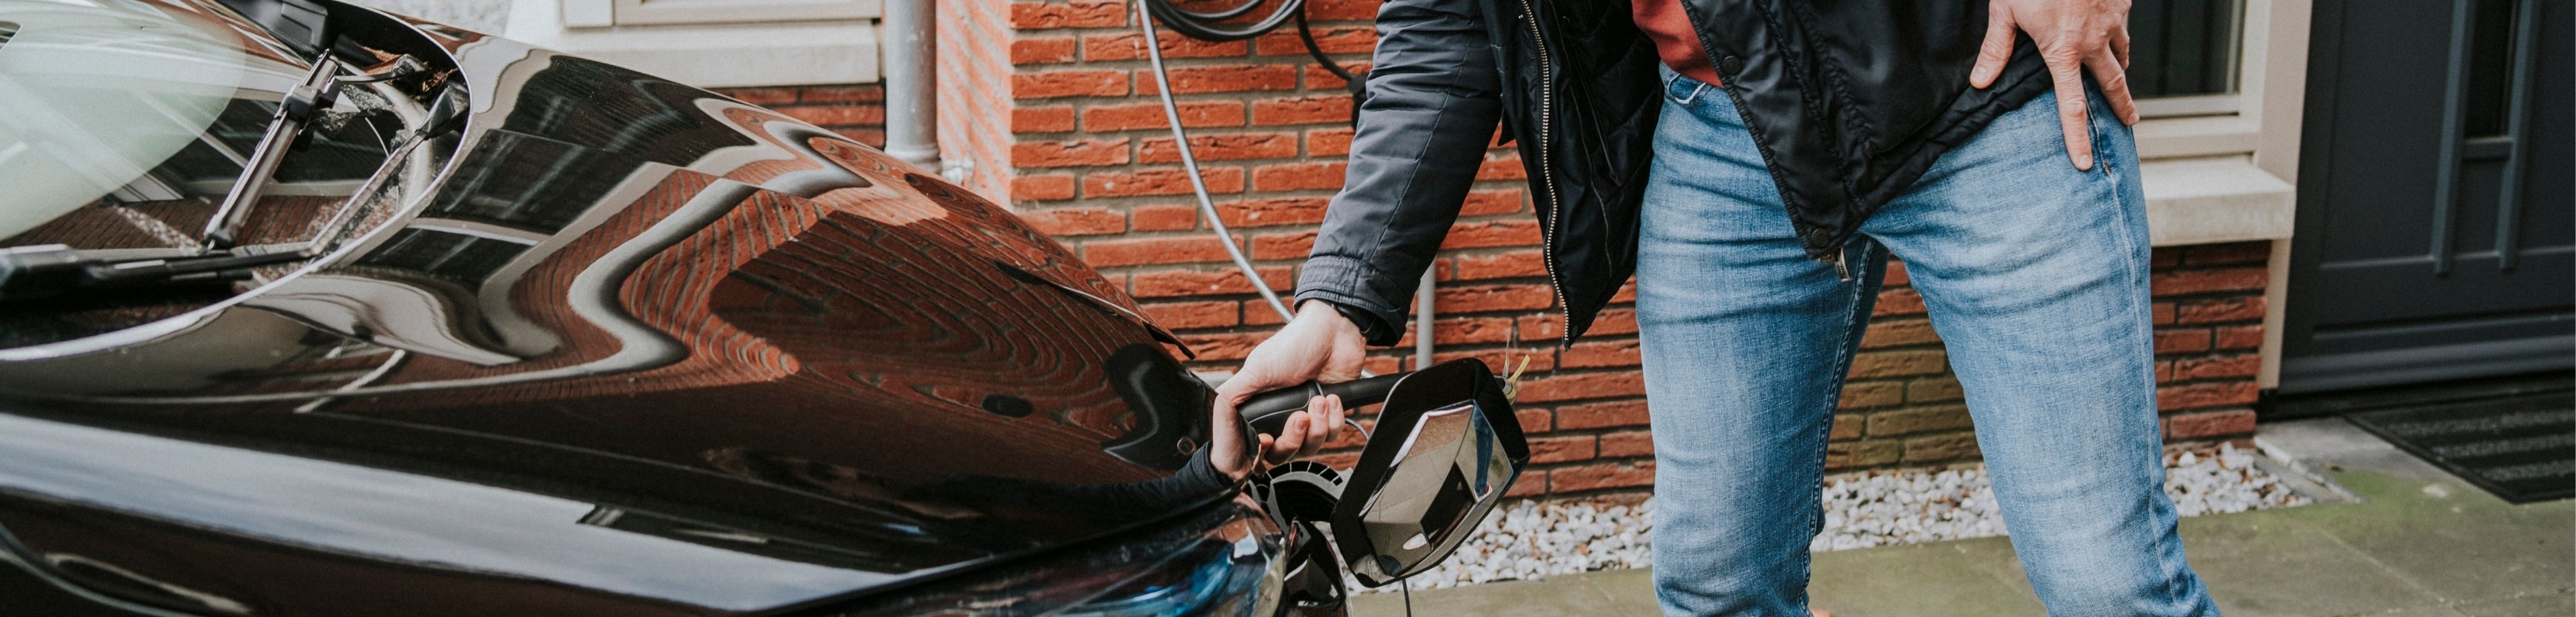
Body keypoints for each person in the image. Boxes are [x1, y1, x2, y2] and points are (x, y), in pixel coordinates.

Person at [1208, 0, 2220, 615]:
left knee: (2109, 586)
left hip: (1984, 98)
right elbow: (1444, 26)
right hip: (1724, 134)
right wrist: (1343, 298)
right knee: (1718, 585)